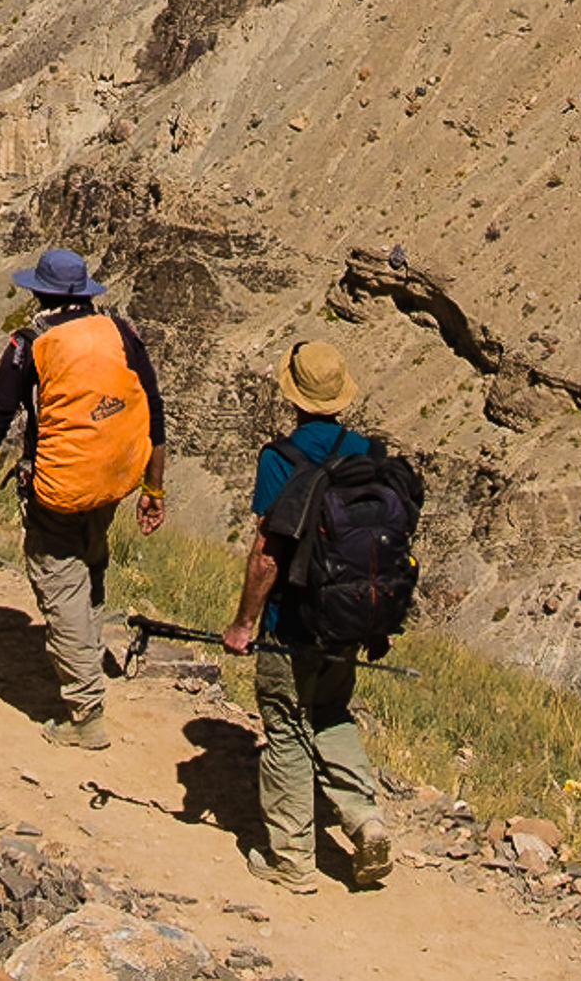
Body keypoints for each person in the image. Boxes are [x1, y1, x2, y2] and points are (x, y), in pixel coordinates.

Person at [0, 244, 165, 750]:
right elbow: (154, 411)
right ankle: (87, 652)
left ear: (40, 292)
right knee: (91, 561)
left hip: (60, 485)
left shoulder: (30, 342)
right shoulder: (121, 332)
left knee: (58, 581)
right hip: (117, 476)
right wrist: (153, 486)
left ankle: (85, 711)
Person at [221, 337, 390, 893]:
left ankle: (291, 860)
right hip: (348, 618)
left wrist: (245, 623)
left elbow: (268, 551)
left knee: (288, 728)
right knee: (333, 712)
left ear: (292, 394)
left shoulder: (281, 458)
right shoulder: (367, 453)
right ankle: (365, 820)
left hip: (291, 625)